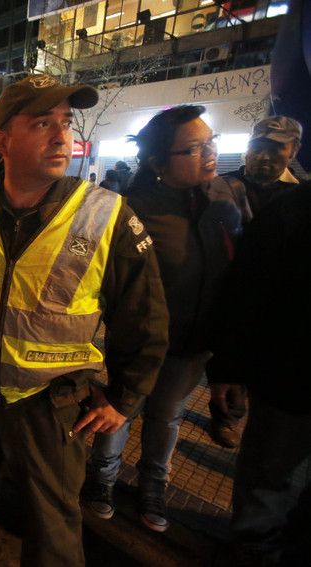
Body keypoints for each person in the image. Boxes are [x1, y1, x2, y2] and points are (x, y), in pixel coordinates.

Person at [0, 73, 169, 567]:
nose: (63, 136)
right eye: (42, 123)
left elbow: (144, 316)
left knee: (52, 521)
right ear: (3, 140)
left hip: (49, 402)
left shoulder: (106, 215)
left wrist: (124, 398)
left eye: (65, 122)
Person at [86, 105, 244, 534]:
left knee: (167, 419)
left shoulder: (223, 204)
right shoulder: (131, 210)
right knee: (122, 410)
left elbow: (234, 283)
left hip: (193, 347)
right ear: (158, 163)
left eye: (212, 142)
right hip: (137, 344)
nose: (210, 152)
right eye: (195, 148)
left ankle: (154, 486)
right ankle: (102, 479)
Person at [207, 180, 311, 566]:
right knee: (267, 475)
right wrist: (228, 365)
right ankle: (251, 548)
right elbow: (246, 292)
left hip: (287, 372)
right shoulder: (291, 212)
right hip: (289, 375)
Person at [206, 115, 304, 449]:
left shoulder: (300, 198)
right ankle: (224, 414)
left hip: (272, 304)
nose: (264, 156)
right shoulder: (220, 187)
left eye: (276, 149)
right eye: (257, 147)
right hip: (223, 293)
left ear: (294, 152)